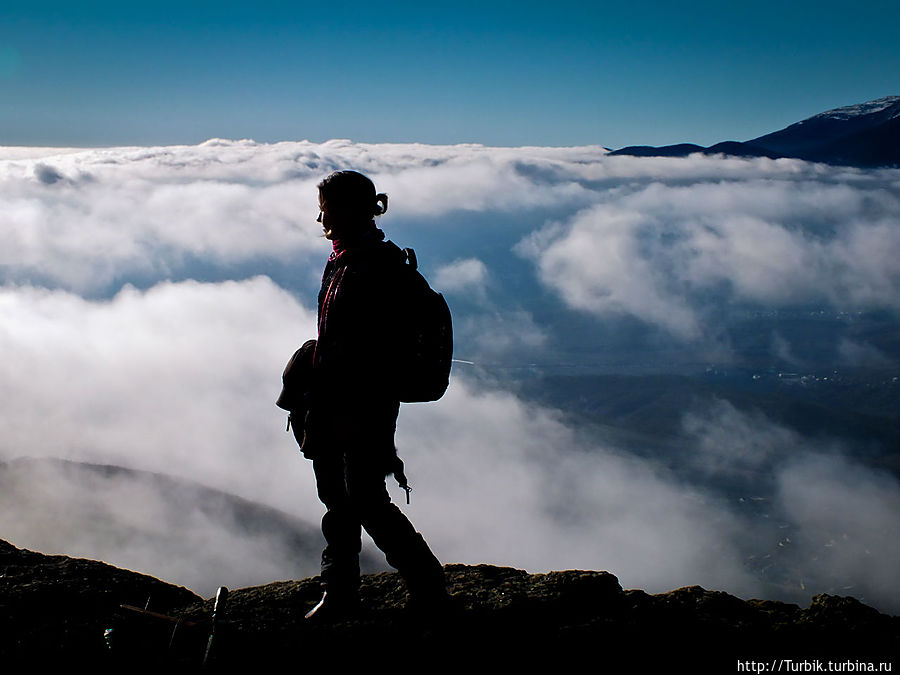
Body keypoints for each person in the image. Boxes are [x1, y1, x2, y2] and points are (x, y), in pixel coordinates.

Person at [298, 170, 447, 620]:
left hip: (363, 405)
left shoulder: (376, 267)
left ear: (345, 210)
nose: (319, 216)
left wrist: (351, 402)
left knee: (364, 499)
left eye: (325, 207)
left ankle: (427, 584)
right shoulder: (345, 259)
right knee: (338, 499)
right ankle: (340, 591)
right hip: (334, 399)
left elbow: (374, 350)